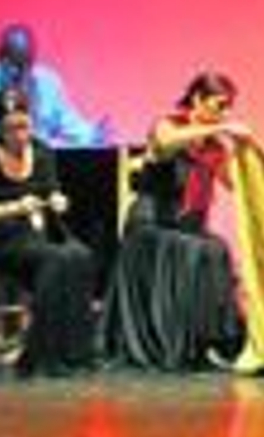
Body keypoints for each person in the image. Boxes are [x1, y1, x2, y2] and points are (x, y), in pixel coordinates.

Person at [102, 72, 246, 370]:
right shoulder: (168, 125)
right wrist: (221, 127)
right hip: (151, 227)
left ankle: (213, 342)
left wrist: (245, 156)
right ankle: (181, 344)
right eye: (220, 105)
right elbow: (167, 144)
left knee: (218, 248)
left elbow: (235, 184)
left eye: (228, 107)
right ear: (197, 99)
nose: (225, 113)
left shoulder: (214, 147)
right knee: (203, 251)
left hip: (186, 228)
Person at [0, 89, 98, 375]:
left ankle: (74, 352)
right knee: (54, 260)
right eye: (12, 129)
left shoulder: (43, 151)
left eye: (25, 126)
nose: (21, 135)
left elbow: (51, 192)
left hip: (34, 232)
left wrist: (59, 200)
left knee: (80, 255)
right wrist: (15, 207)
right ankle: (40, 355)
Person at [0, 24, 109, 145]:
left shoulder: (49, 83)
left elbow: (69, 123)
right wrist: (12, 135)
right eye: (14, 65)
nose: (21, 73)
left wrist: (93, 134)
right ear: (0, 58)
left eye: (26, 65)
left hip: (42, 168)